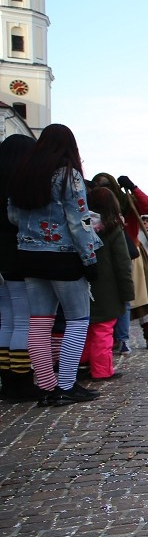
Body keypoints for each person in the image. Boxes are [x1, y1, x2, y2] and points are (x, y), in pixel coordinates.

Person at [8, 124, 101, 406]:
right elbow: (79, 221)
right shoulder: (68, 176)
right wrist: (90, 258)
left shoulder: (22, 174)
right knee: (77, 320)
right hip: (64, 256)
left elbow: (13, 215)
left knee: (38, 322)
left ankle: (47, 385)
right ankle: (67, 384)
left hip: (29, 254)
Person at [91, 173, 148, 349]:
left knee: (143, 294)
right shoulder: (93, 201)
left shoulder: (126, 200)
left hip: (130, 252)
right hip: (101, 253)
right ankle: (113, 337)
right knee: (109, 296)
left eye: (106, 185)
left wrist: (133, 187)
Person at [82, 188, 134, 381]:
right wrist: (127, 292)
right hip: (107, 288)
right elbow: (122, 264)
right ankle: (102, 370)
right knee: (103, 329)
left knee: (83, 328)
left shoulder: (79, 225)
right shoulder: (113, 228)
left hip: (83, 285)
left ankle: (81, 364)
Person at [0, 135, 35, 401]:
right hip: (17, 257)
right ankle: (21, 381)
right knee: (23, 321)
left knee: (6, 321)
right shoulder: (20, 187)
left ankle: (7, 379)